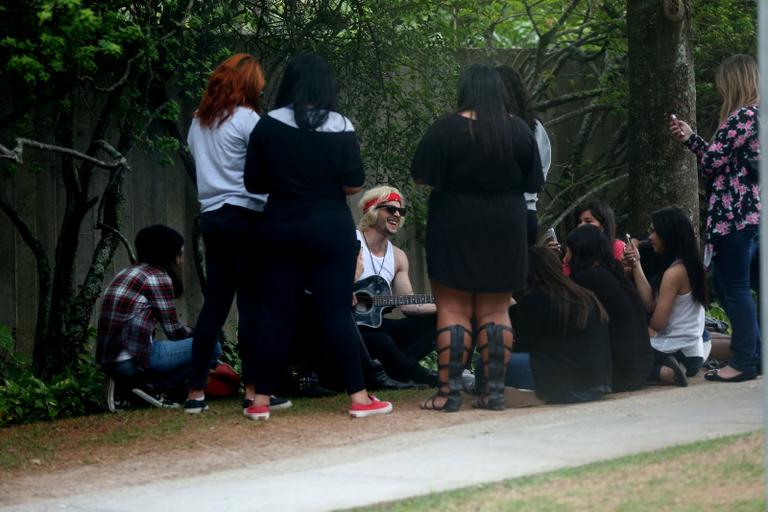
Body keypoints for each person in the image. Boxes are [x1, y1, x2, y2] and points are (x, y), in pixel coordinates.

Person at [244, 53, 392, 419]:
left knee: (276, 313)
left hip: (280, 226)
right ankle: (359, 399)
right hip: (329, 227)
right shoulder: (341, 125)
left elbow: (253, 182)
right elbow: (354, 183)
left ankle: (260, 402)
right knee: (337, 312)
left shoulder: (267, 125)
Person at [411, 63, 544, 412]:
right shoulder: (518, 130)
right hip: (505, 226)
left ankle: (448, 393)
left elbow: (421, 178)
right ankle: (495, 392)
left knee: (453, 308)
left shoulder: (446, 129)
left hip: (454, 221)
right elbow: (533, 183)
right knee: (497, 310)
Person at [185, 54, 290, 416]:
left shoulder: (198, 122)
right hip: (246, 216)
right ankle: (253, 390)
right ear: (247, 84)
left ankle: (195, 392)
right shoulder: (248, 119)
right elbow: (271, 165)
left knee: (214, 305)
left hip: (212, 217)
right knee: (251, 307)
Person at [669, 54, 761, 382]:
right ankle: (756, 356)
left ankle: (744, 362)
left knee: (733, 289)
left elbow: (710, 162)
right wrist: (691, 137)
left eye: (724, 83)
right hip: (751, 215)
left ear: (735, 82)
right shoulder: (757, 116)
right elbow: (723, 160)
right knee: (749, 287)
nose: (721, 89)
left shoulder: (742, 116)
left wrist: (692, 139)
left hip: (732, 218)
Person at [96, 225, 219, 411]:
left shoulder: (127, 272)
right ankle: (154, 388)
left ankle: (128, 388)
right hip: (130, 361)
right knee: (212, 347)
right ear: (168, 254)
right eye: (179, 253)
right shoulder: (157, 278)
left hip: (110, 360)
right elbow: (174, 332)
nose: (181, 259)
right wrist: (199, 332)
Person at [355, 185, 438, 386]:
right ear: (372, 210)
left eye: (401, 211)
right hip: (352, 328)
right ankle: (420, 375)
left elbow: (409, 305)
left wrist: (448, 305)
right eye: (390, 209)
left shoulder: (398, 256)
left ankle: (393, 369)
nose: (397, 215)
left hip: (379, 326)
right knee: (381, 340)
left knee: (441, 319)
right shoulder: (351, 240)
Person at [507, 246, 612, 403]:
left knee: (487, 363)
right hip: (598, 383)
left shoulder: (536, 298)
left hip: (567, 382)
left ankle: (536, 396)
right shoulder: (583, 295)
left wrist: (511, 310)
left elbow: (524, 344)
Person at [624, 207, 709, 386]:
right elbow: (652, 305)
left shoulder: (675, 272)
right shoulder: (689, 264)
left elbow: (658, 324)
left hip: (676, 350)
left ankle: (666, 373)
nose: (650, 237)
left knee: (618, 361)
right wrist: (637, 264)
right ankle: (673, 370)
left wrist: (638, 329)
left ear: (668, 234)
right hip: (692, 351)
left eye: (654, 231)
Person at [565, 224, 652, 392]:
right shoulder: (613, 271)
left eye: (569, 252)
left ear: (581, 251)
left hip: (619, 374)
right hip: (638, 369)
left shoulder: (589, 278)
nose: (566, 258)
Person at [496, 65, 552, 246]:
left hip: (519, 210)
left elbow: (540, 172)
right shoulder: (486, 127)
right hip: (510, 211)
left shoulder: (534, 128)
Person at [563, 200, 626, 275]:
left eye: (588, 221)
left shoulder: (617, 247)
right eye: (580, 222)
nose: (580, 225)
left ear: (603, 225)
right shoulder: (575, 249)